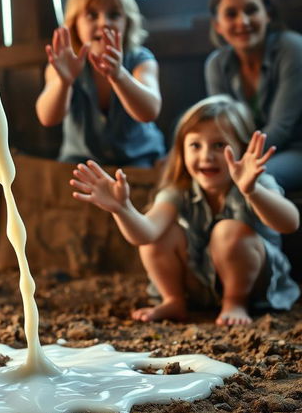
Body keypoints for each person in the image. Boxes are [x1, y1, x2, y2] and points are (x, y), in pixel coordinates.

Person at [70, 95, 299, 326]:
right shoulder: (179, 190)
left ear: (243, 148)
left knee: (228, 231)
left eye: (219, 145)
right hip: (199, 281)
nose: (206, 156)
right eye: (195, 145)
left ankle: (234, 302)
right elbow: (145, 234)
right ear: (181, 151)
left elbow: (290, 223)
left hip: (254, 285)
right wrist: (122, 208)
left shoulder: (257, 183)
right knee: (160, 235)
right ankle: (173, 300)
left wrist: (251, 190)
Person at [35, 0, 165, 166]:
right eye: (92, 15)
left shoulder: (140, 59)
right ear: (74, 24)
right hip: (80, 160)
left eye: (114, 15)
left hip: (138, 158)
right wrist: (64, 82)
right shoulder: (64, 64)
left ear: (127, 23)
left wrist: (119, 75)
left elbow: (150, 111)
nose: (104, 23)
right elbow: (47, 117)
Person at [205, 0, 302, 192]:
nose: (243, 21)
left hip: (295, 149)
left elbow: (281, 128)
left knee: (254, 178)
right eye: (231, 14)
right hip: (244, 153)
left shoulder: (292, 49)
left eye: (251, 10)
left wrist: (237, 161)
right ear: (217, 25)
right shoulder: (216, 64)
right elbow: (222, 126)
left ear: (267, 14)